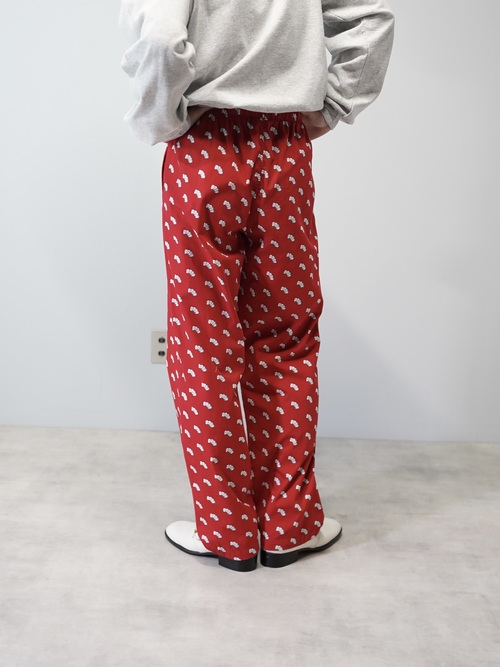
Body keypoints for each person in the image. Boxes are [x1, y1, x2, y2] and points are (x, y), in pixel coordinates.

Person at [119, 0, 395, 572]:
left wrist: (161, 121)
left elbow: (160, 37)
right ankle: (289, 526)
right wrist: (334, 104)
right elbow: (369, 18)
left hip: (203, 152)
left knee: (203, 346)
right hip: (284, 149)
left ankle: (228, 532)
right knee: (287, 338)